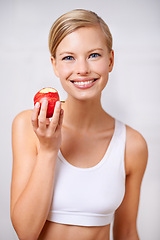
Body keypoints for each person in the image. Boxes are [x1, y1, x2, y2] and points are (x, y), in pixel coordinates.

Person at [11, 9, 148, 240]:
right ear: (54, 65)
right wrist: (48, 150)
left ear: (111, 60)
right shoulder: (29, 126)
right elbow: (25, 233)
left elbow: (126, 232)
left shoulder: (132, 144)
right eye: (68, 57)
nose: (82, 69)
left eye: (94, 55)